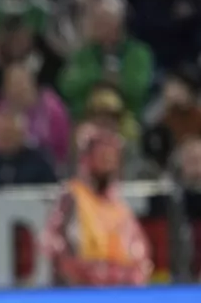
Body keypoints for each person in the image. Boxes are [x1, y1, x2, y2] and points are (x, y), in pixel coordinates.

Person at [42, 123, 152, 287]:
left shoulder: (118, 204)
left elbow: (138, 251)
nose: (107, 162)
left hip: (120, 288)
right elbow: (53, 242)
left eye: (111, 157)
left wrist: (132, 277)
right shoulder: (73, 196)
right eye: (102, 156)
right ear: (87, 159)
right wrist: (77, 272)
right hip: (82, 289)